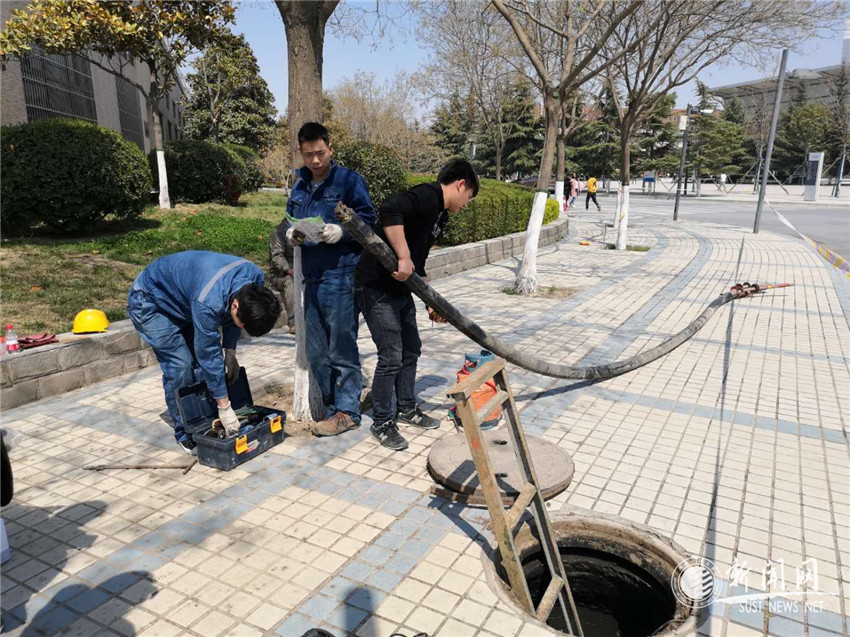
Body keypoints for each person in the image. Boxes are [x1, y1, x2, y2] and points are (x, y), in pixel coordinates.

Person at [356, 159, 479, 451]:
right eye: (469, 197)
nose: (466, 203)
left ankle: (406, 407)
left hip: (400, 289)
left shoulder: (441, 215)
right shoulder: (428, 195)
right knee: (391, 355)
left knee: (411, 348)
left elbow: (418, 263)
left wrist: (430, 302)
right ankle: (382, 421)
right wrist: (402, 255)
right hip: (375, 286)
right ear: (461, 185)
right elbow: (389, 209)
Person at [127, 251, 281, 454]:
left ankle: (202, 418)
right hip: (151, 301)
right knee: (181, 365)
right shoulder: (208, 302)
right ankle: (185, 433)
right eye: (242, 325)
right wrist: (224, 406)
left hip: (183, 299)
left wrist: (230, 352)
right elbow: (209, 353)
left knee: (201, 368)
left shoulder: (254, 279)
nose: (241, 327)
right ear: (235, 305)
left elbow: (231, 319)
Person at [285, 122, 376, 437]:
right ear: (301, 152)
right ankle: (330, 407)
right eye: (308, 154)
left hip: (341, 274)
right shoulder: (299, 185)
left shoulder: (349, 181)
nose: (315, 160)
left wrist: (342, 231)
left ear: (330, 149)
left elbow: (368, 220)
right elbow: (290, 217)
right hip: (310, 277)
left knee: (341, 347)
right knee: (316, 352)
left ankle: (347, 411)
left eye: (320, 153)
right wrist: (292, 233)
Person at [269, 221, 296, 334]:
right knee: (291, 281)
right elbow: (277, 256)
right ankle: (294, 321)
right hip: (281, 274)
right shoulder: (278, 231)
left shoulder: (304, 228)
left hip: (303, 268)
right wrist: (288, 269)